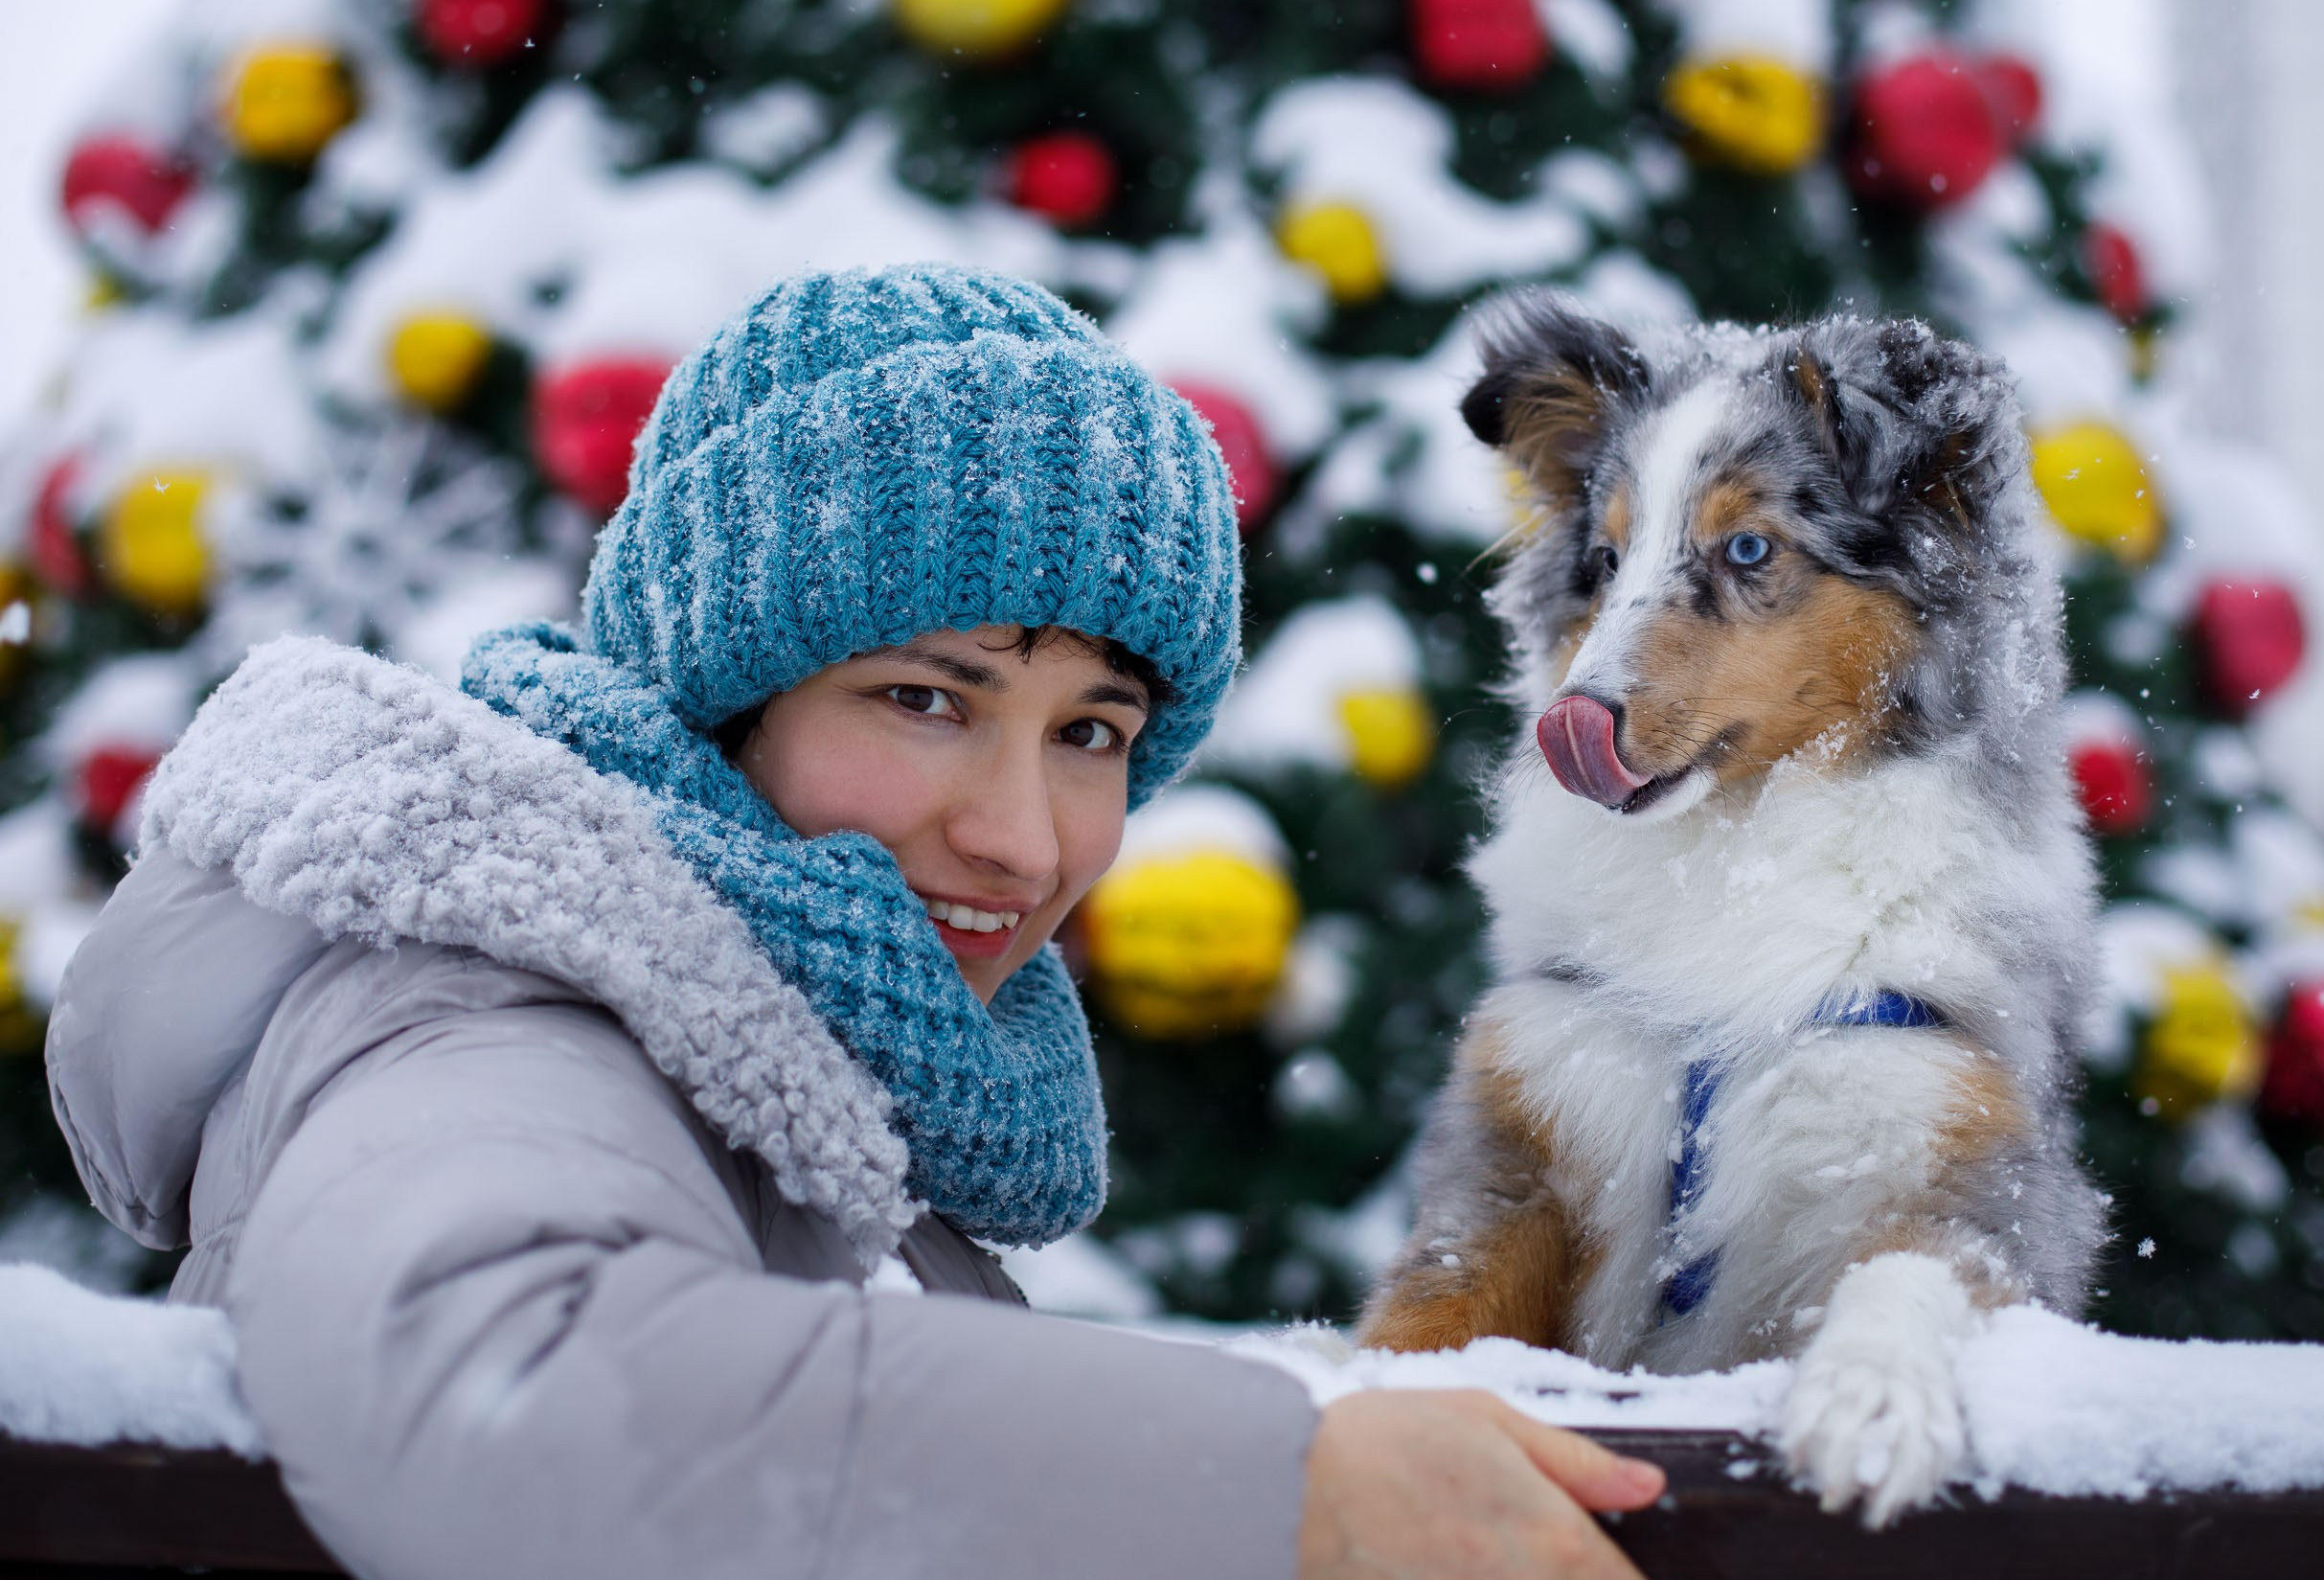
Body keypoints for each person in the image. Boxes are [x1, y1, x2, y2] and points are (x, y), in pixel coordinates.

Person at [46, 264, 1660, 1578]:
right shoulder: (497, 1012)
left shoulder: (794, 1066)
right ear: (720, 693)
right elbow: (500, 1385)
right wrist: (1277, 1490)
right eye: (923, 699)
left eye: (1091, 732)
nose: (1024, 837)